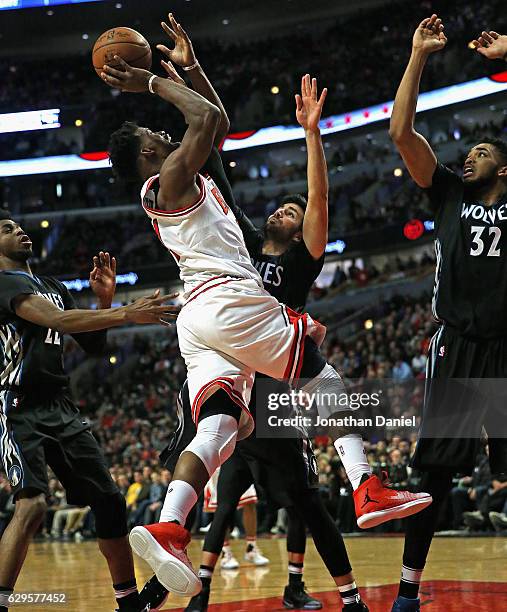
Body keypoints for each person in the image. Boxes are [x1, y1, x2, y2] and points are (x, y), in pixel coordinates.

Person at [105, 15, 431, 598]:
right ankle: (367, 485)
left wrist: (191, 67)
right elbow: (203, 120)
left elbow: (217, 122)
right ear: (150, 161)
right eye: (157, 139)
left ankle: (171, 524)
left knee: (220, 426)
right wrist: (154, 81)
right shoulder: (173, 178)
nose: (165, 135)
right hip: (229, 301)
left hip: (199, 323)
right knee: (325, 373)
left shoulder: (186, 180)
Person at [0, 215, 179, 612]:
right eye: (7, 229)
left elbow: (93, 348)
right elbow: (58, 321)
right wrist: (125, 313)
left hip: (60, 406)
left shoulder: (54, 288)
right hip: (17, 405)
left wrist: (104, 301)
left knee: (111, 502)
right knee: (32, 505)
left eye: (19, 227)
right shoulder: (3, 283)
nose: (19, 231)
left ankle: (128, 602)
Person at [389, 17, 507, 612]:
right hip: (458, 343)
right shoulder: (450, 195)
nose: (471, 155)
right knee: (436, 470)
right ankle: (409, 589)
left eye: (483, 151)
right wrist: (417, 57)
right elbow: (402, 130)